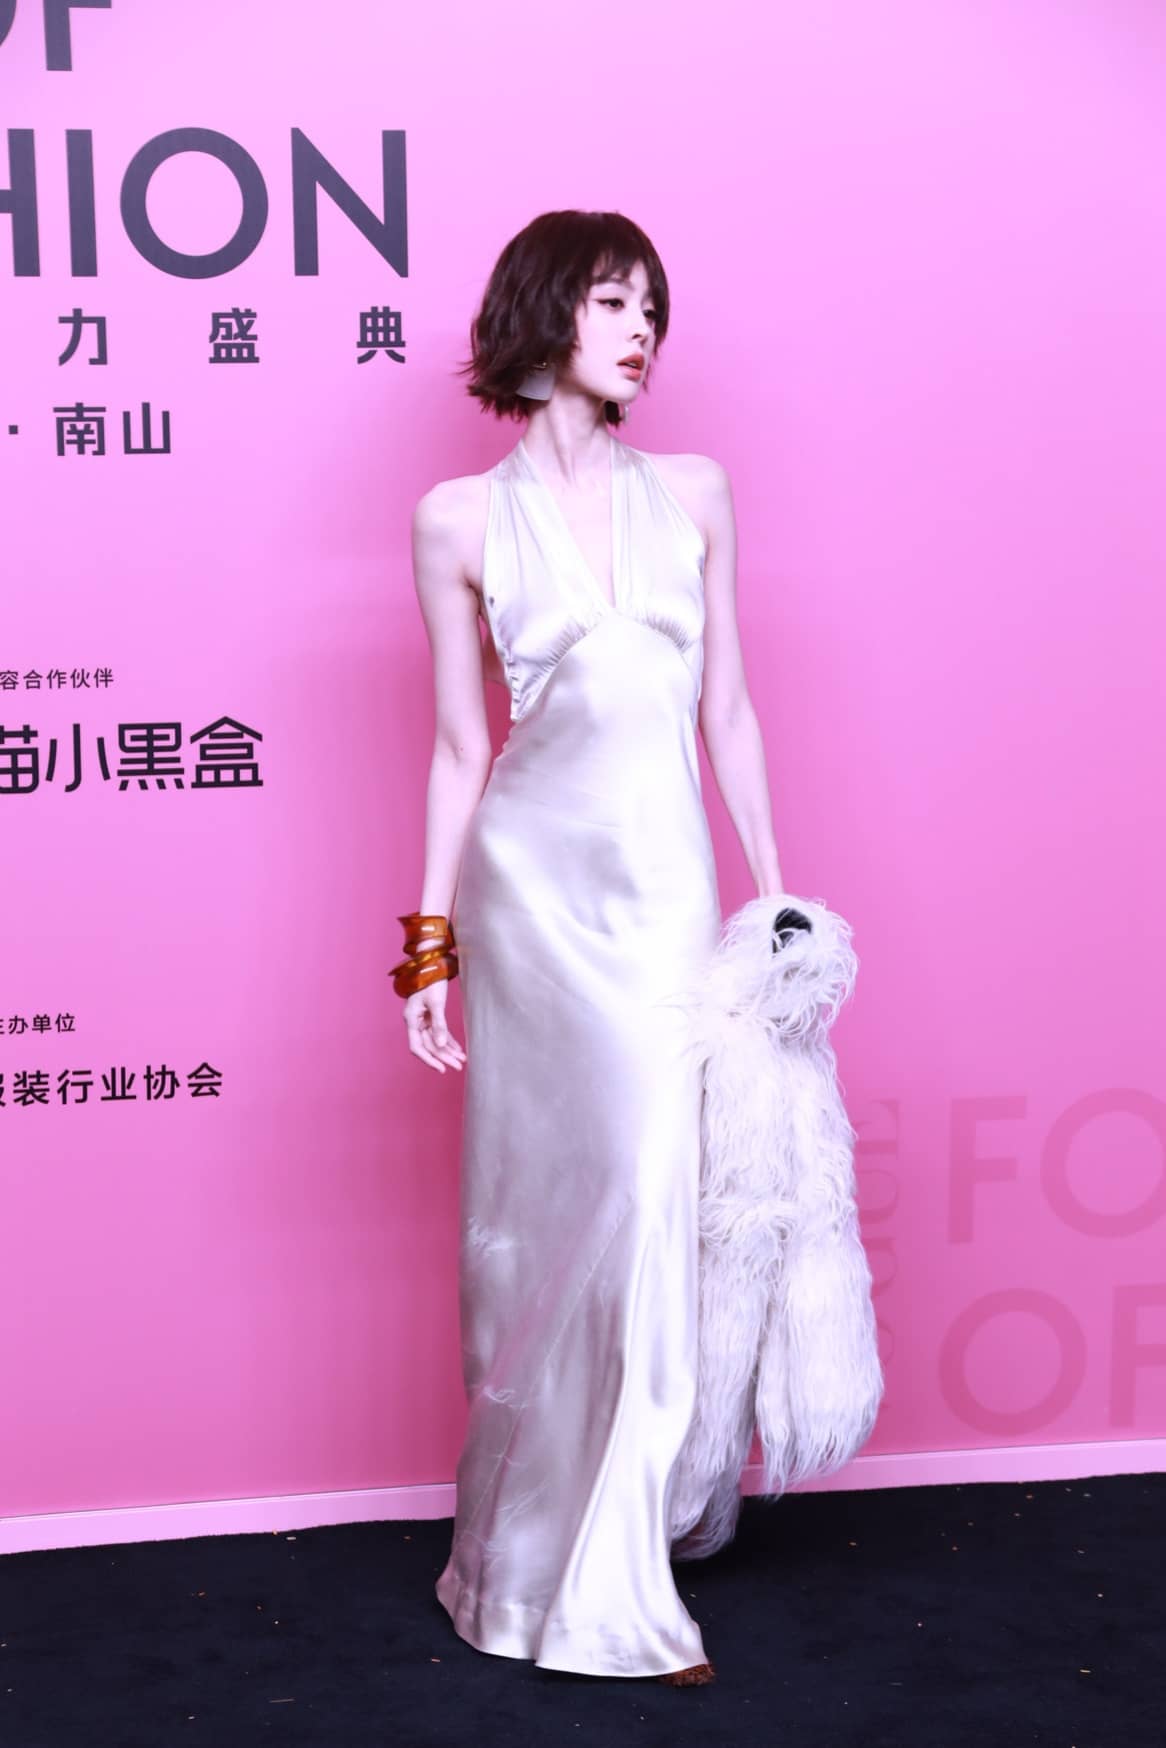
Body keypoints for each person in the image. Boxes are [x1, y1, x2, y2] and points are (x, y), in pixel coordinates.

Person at [391, 210, 784, 1686]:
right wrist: (426, 946)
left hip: (666, 898)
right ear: (547, 309)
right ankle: (527, 1563)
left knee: (649, 1192)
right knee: (544, 1220)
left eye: (652, 310)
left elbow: (726, 707)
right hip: (531, 904)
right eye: (614, 302)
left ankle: (621, 1566)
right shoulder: (455, 519)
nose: (641, 332)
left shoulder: (695, 491)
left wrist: (778, 903)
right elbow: (458, 747)